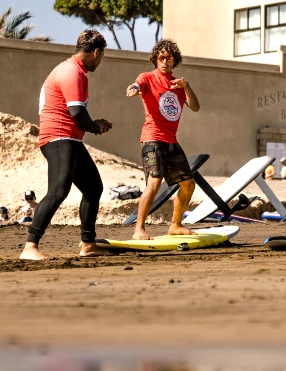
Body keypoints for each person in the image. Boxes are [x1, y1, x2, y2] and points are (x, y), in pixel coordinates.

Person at [21, 30, 115, 260]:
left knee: (93, 188)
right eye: (101, 56)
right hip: (59, 138)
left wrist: (91, 124)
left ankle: (88, 244)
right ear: (95, 52)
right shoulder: (72, 71)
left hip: (69, 139)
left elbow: (76, 113)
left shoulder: (74, 70)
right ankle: (30, 247)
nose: (100, 61)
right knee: (58, 190)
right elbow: (76, 113)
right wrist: (95, 126)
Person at [126, 39, 201, 241]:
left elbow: (195, 107)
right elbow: (137, 84)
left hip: (171, 141)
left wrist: (186, 86)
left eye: (170, 58)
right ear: (155, 59)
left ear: (174, 61)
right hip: (152, 139)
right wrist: (133, 88)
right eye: (162, 57)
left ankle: (175, 225)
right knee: (155, 181)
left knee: (188, 184)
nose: (165, 61)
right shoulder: (148, 78)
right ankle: (138, 229)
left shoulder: (178, 85)